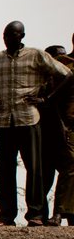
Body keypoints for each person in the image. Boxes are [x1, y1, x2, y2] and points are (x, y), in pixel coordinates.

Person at [0, 21, 72, 227]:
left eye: (12, 35)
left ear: (21, 36)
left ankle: (36, 215)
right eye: (5, 34)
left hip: (29, 119)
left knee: (34, 169)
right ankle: (6, 216)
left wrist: (46, 100)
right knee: (5, 170)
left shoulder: (36, 55)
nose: (7, 38)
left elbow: (66, 75)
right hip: (3, 122)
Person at [48, 36, 74, 225]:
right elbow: (54, 98)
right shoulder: (64, 65)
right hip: (67, 123)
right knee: (70, 166)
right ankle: (59, 213)